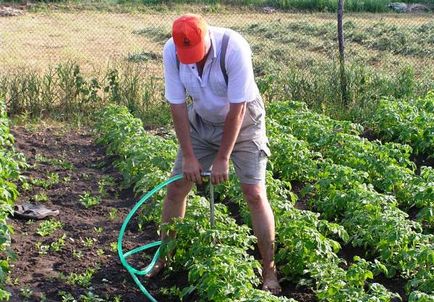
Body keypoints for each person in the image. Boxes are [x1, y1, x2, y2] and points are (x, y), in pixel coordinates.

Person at [146, 13, 281, 295]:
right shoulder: (171, 51)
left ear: (208, 38)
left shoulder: (234, 48)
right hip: (202, 122)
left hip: (244, 124)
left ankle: (269, 270)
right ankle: (165, 256)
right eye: (187, 56)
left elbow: (238, 108)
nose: (193, 61)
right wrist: (189, 155)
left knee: (254, 192)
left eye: (197, 53)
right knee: (176, 187)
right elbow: (178, 106)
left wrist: (222, 158)